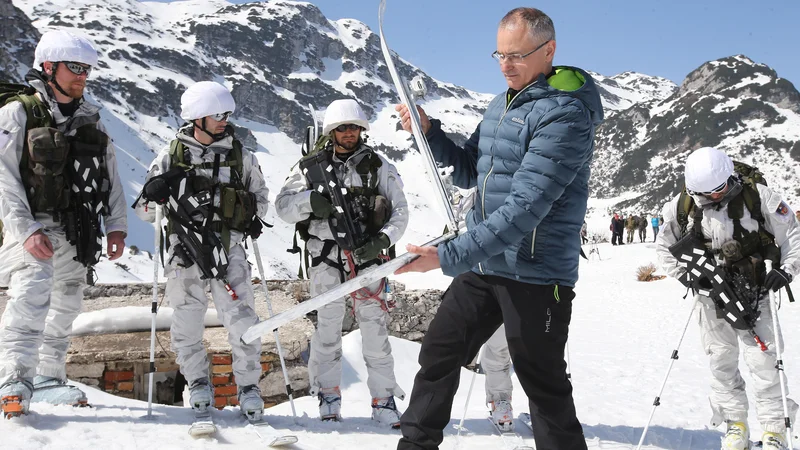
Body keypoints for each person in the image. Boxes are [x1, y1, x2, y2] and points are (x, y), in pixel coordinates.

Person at [394, 7, 602, 450]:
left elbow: (527, 207)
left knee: (542, 384)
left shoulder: (565, 116)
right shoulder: (502, 104)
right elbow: (471, 170)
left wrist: (447, 256)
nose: (505, 65)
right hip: (486, 262)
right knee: (439, 353)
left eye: (517, 56)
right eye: (499, 55)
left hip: (536, 272)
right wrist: (430, 132)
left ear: (549, 51)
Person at [0, 30, 128, 416]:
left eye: (86, 70)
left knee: (67, 302)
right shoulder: (17, 113)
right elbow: (3, 177)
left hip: (78, 230)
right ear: (49, 67)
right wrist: (26, 230)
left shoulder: (92, 121)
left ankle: (48, 379)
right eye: (75, 68)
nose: (82, 77)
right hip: (33, 228)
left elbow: (111, 177)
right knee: (30, 297)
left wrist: (117, 225)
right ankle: (13, 381)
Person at [134, 81, 269, 421]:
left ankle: (249, 387)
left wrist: (250, 218)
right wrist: (156, 191)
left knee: (243, 320)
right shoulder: (170, 156)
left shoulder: (241, 156)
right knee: (187, 322)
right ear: (198, 117)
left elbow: (261, 197)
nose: (225, 120)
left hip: (229, 250)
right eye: (218, 114)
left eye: (228, 114)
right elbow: (145, 212)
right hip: (184, 253)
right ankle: (197, 383)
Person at [275, 98, 409, 427]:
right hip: (325, 256)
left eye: (354, 128)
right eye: (342, 128)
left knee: (375, 330)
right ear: (332, 132)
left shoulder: (378, 166)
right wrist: (310, 201)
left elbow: (400, 211)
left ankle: (384, 400)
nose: (349, 133)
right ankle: (329, 395)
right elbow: (282, 206)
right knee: (328, 329)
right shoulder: (309, 167)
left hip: (369, 257)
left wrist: (382, 240)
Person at [656, 147, 799, 450]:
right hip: (710, 296)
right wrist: (686, 275)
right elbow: (663, 247)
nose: (714, 197)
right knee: (720, 360)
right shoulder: (682, 205)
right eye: (705, 193)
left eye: (719, 190)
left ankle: (775, 430)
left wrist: (787, 270)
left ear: (730, 176)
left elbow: (792, 236)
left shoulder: (758, 196)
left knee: (765, 360)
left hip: (755, 290)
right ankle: (736, 425)